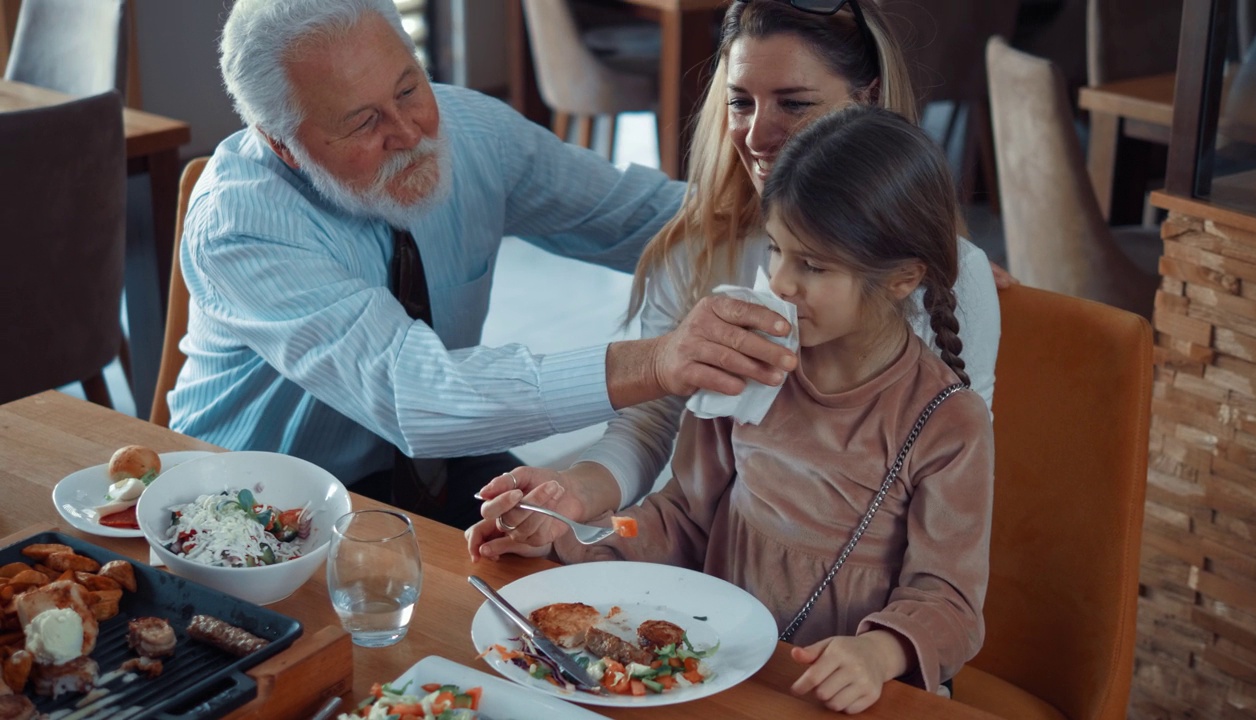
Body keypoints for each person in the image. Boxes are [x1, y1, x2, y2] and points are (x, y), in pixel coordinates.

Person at [167, 0, 798, 528]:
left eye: (409, 88)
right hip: (249, 501)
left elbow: (652, 220)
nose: (410, 131)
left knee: (563, 573)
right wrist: (659, 360)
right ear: (284, 145)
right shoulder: (242, 223)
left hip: (428, 472)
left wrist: (834, 226)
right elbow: (417, 396)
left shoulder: (471, 132)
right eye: (363, 122)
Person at [468, 105, 995, 714]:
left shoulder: (948, 424)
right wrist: (573, 538)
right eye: (776, 249)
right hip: (724, 673)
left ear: (902, 278)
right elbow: (679, 517)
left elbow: (949, 603)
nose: (782, 281)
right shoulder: (747, 367)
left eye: (813, 265)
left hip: (848, 696)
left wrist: (880, 653)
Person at [475, 0, 1001, 543]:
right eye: (741, 102)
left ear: (866, 99)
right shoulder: (698, 249)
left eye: (794, 104)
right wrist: (575, 492)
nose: (754, 136)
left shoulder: (954, 280)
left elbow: (957, 479)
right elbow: (651, 422)